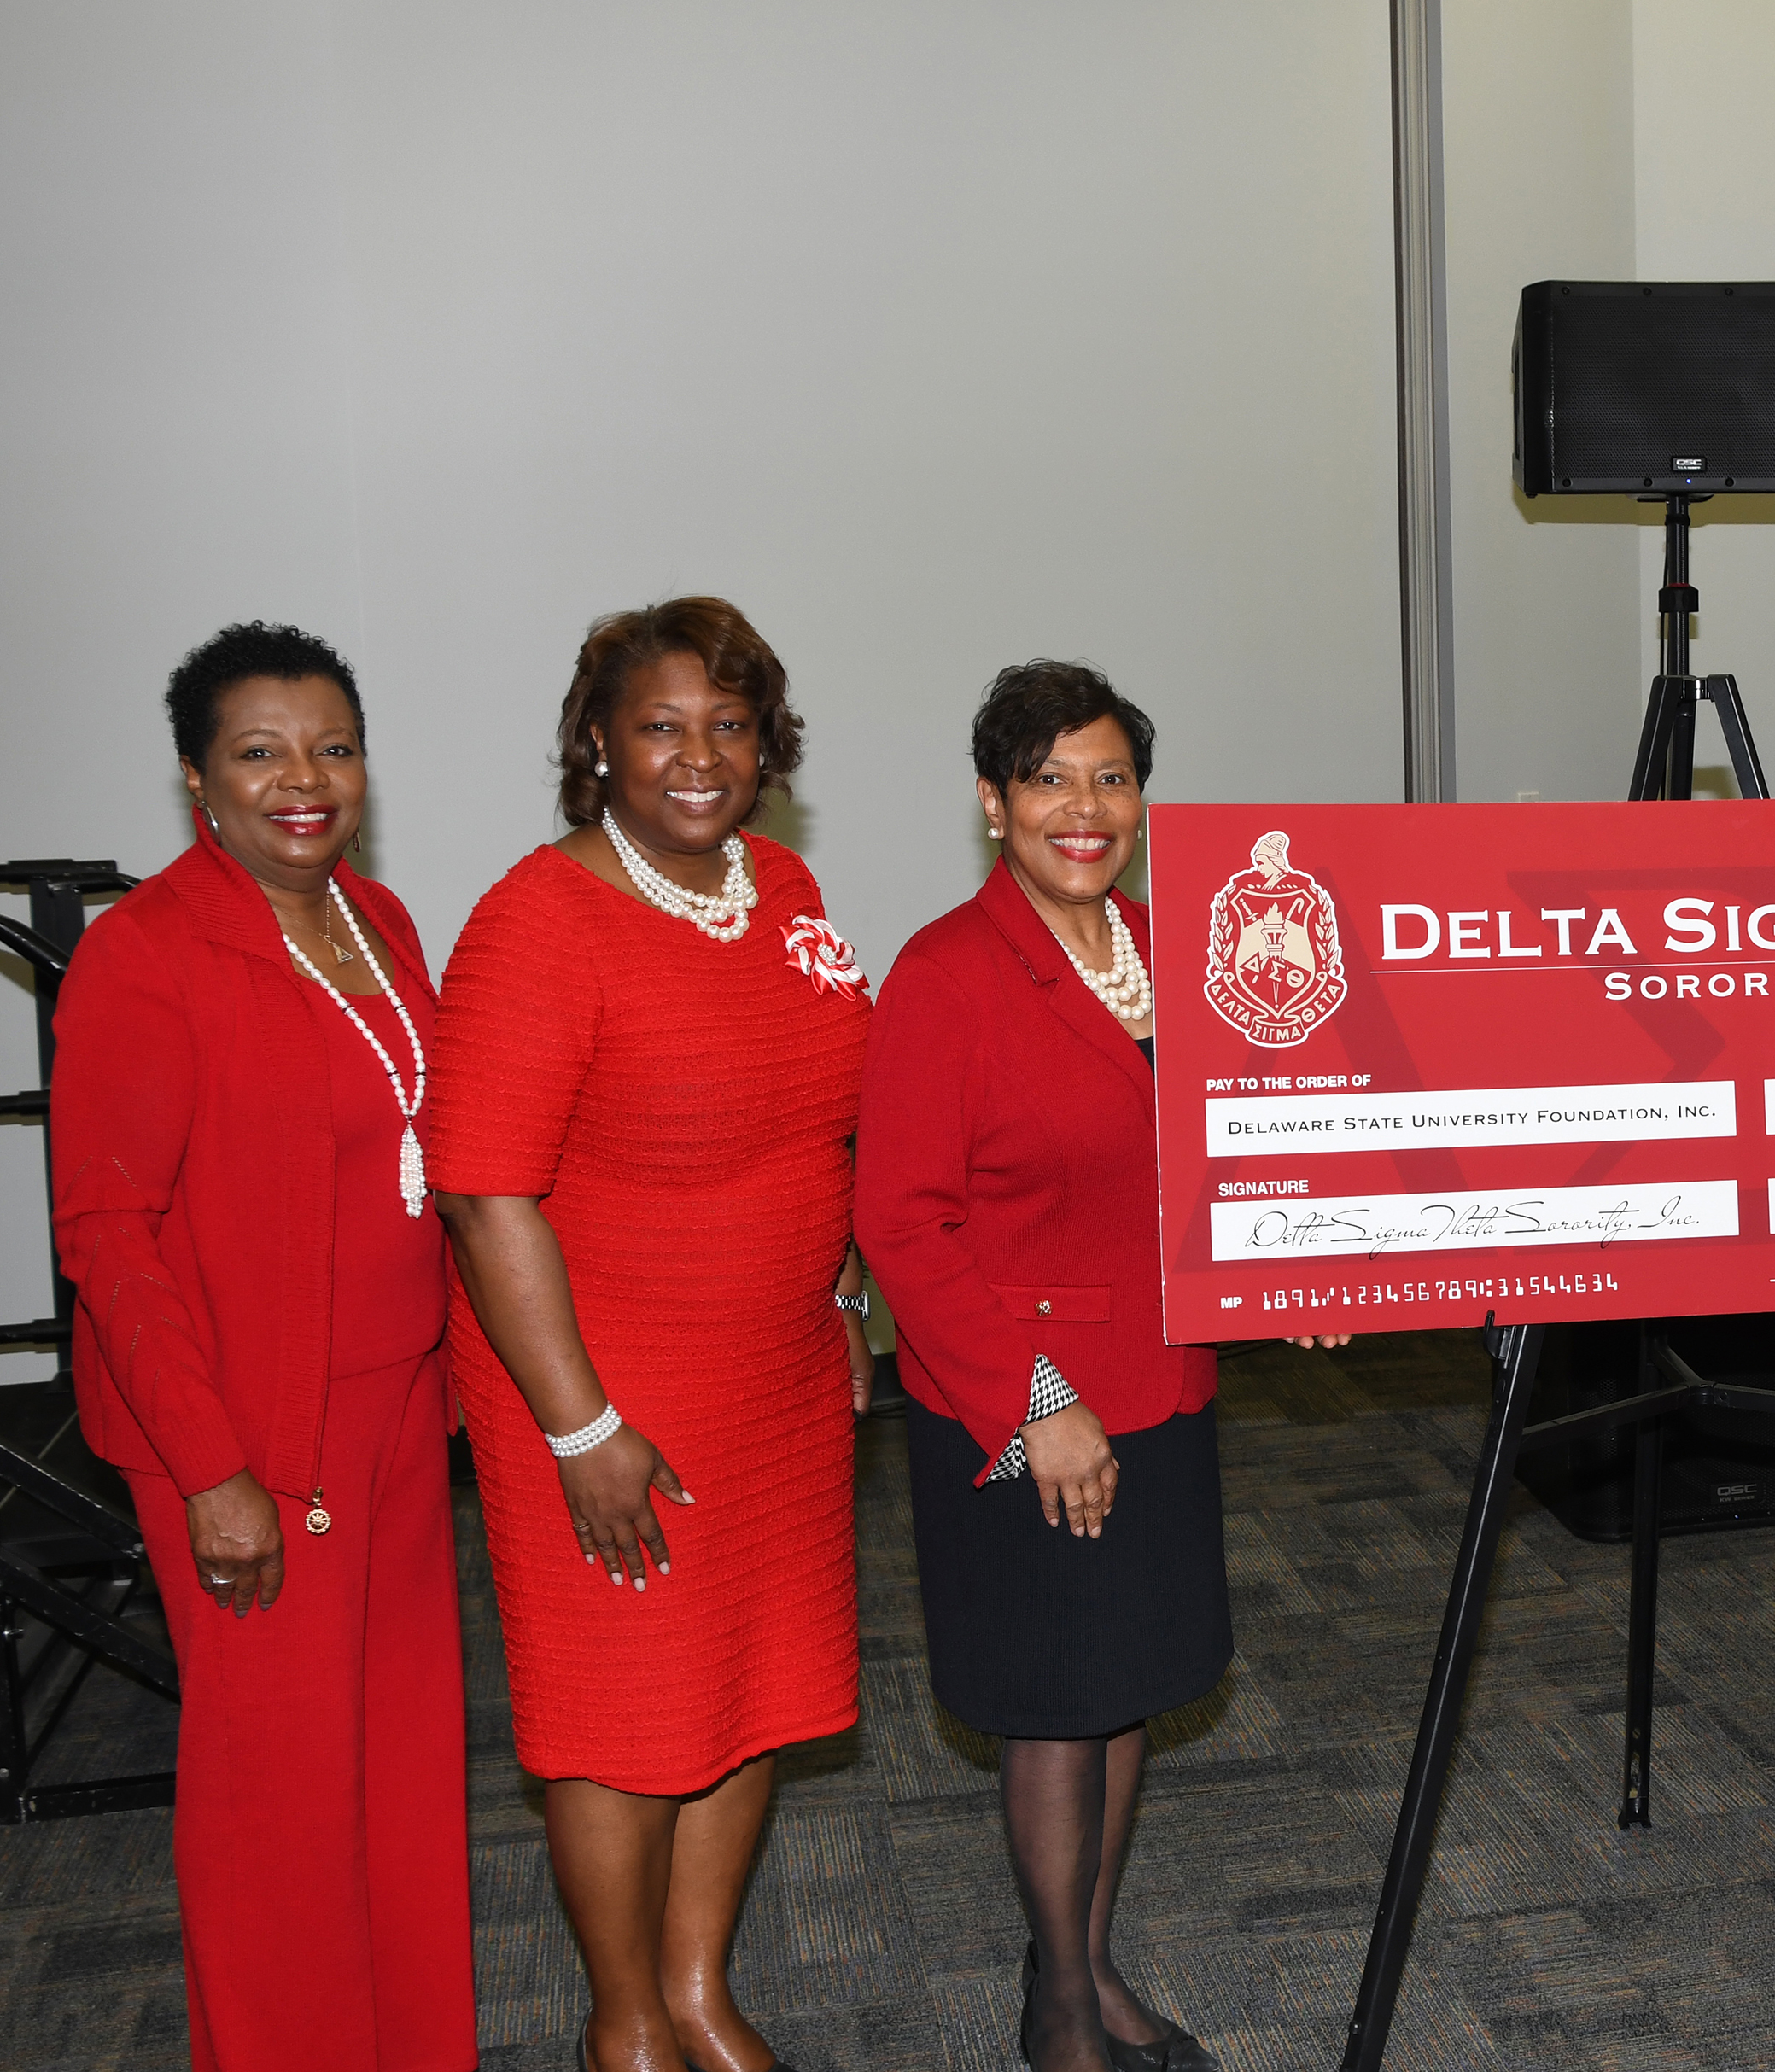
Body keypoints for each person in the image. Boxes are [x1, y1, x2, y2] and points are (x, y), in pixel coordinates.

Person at [858, 662, 1341, 2072]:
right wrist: (1036, 1404)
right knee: (1058, 1706)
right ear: (993, 800)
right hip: (1028, 1412)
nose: (1085, 807)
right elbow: (899, 1218)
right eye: (1052, 778)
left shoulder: (1168, 946)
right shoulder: (948, 973)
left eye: (1111, 777)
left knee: (1127, 1687)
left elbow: (1214, 1154)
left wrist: (1290, 1270)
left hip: (1166, 1383)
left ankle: (1090, 1966)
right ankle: (1060, 2013)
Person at [428, 599, 873, 2072]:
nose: (700, 757)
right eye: (662, 726)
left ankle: (698, 1991)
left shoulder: (787, 888)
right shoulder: (540, 919)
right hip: (605, 1386)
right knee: (621, 1715)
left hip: (775, 1374)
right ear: (598, 744)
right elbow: (488, 1198)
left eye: (730, 725)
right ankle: (623, 2025)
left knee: (747, 1687)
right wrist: (581, 1429)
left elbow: (824, 1125)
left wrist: (843, 1294)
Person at [49, 622, 474, 2072]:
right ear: (197, 780)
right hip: (243, 1436)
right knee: (280, 1808)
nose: (306, 779)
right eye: (262, 752)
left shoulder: (383, 922)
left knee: (401, 1782)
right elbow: (108, 1236)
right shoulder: (148, 956)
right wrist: (212, 1468)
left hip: (399, 1418)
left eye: (334, 747)